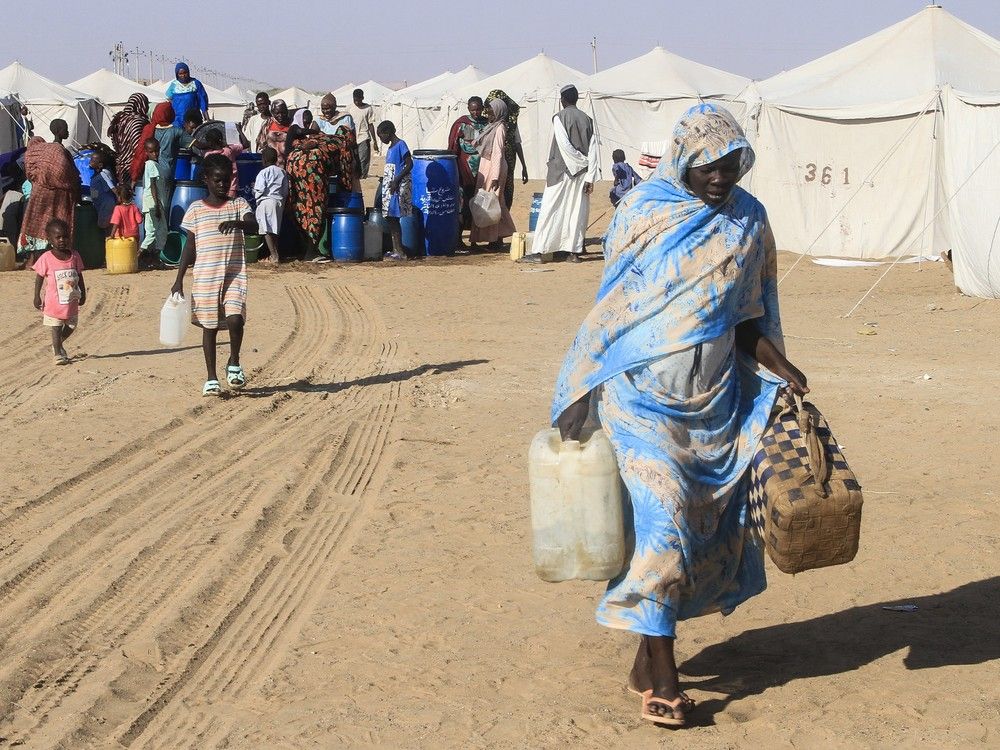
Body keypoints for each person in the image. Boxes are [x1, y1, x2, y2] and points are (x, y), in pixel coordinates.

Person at [551, 104, 809, 728]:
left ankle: (648, 652)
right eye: (708, 164)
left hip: (715, 407)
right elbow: (614, 307)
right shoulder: (644, 213)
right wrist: (583, 385)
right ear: (683, 158)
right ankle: (666, 679)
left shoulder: (748, 223)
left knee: (694, 535)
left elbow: (746, 317)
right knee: (665, 524)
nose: (720, 176)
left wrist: (784, 367)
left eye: (730, 164)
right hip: (640, 402)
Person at [171, 153, 258, 397]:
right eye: (218, 180)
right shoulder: (196, 210)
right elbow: (189, 247)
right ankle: (211, 377)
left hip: (234, 276)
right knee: (208, 328)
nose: (223, 185)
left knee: (235, 319)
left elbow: (254, 225)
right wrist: (178, 280)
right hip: (205, 279)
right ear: (206, 179)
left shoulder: (238, 205)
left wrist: (238, 223)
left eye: (227, 180)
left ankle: (234, 361)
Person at [524, 85, 597, 263]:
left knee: (550, 210)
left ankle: (539, 253)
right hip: (582, 173)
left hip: (562, 171)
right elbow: (594, 149)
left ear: (563, 100)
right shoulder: (587, 119)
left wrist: (577, 164)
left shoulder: (559, 118)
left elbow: (564, 146)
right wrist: (589, 175)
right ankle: (573, 253)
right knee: (576, 212)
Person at [285, 129, 357, 261]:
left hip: (292, 161)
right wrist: (347, 195)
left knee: (299, 205)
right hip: (312, 166)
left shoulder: (324, 138)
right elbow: (346, 177)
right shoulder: (344, 143)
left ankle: (305, 248)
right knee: (316, 207)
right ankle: (311, 252)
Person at [18, 122, 80, 261]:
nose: (68, 132)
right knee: (59, 222)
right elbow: (63, 172)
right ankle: (53, 258)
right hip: (59, 194)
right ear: (58, 131)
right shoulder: (57, 150)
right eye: (66, 129)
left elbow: (32, 170)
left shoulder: (47, 150)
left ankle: (33, 259)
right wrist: (74, 185)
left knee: (38, 222)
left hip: (40, 193)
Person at [32, 218, 86, 366]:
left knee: (71, 325)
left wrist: (83, 292)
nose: (62, 240)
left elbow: (79, 275)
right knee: (55, 327)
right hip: (53, 303)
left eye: (65, 236)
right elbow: (39, 277)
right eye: (58, 237)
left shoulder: (75, 256)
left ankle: (57, 343)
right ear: (50, 239)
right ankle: (57, 354)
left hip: (71, 301)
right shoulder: (46, 258)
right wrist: (36, 296)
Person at [468, 98, 516, 249]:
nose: (488, 113)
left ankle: (495, 239)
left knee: (493, 202)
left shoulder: (500, 128)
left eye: (491, 111)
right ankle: (491, 238)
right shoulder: (491, 126)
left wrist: (495, 176)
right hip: (486, 166)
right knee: (484, 201)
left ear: (499, 112)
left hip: (494, 168)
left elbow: (497, 153)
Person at [448, 96, 488, 234]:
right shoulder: (461, 124)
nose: (475, 113)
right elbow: (453, 146)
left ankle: (475, 237)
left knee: (478, 203)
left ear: (482, 108)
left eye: (478, 110)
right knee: (462, 202)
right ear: (468, 109)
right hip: (464, 169)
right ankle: (458, 237)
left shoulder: (487, 124)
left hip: (482, 168)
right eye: (473, 110)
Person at [484, 90, 529, 209]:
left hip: (507, 161)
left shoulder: (511, 123)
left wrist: (524, 166)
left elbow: (517, 143)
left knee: (505, 189)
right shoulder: (486, 121)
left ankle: (503, 216)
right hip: (489, 162)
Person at [377, 121, 412, 261]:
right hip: (391, 186)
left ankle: (400, 252)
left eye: (381, 136)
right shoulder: (391, 147)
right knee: (390, 217)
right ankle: (395, 249)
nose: (381, 140)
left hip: (397, 187)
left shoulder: (400, 145)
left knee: (393, 217)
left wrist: (396, 180)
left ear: (387, 133)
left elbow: (409, 164)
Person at [145, 102, 187, 208]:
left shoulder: (150, 130)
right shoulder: (176, 131)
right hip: (167, 172)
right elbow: (197, 144)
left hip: (152, 171)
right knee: (164, 204)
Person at [253, 146, 288, 264]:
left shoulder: (263, 172)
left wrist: (255, 195)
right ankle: (275, 253)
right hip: (278, 202)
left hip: (266, 201)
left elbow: (260, 189)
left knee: (266, 229)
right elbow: (285, 190)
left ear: (264, 160)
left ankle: (273, 256)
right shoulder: (282, 172)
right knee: (275, 228)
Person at [107, 92, 150, 187]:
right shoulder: (138, 121)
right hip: (134, 166)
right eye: (146, 104)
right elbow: (138, 146)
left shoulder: (119, 119)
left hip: (120, 165)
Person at [139, 137, 166, 265]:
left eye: (156, 151)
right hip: (153, 203)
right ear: (146, 152)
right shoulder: (150, 164)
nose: (155, 154)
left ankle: (155, 258)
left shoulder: (154, 165)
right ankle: (137, 256)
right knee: (152, 232)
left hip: (154, 203)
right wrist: (156, 205)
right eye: (152, 152)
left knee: (161, 231)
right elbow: (153, 185)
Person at [201, 129, 244, 198]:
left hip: (215, 188)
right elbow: (245, 144)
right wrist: (239, 130)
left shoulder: (207, 155)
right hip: (231, 187)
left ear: (209, 143)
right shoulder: (229, 150)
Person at [165, 62, 209, 128]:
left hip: (193, 119)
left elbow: (202, 100)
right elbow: (168, 96)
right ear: (177, 74)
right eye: (180, 74)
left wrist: (206, 117)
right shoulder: (174, 85)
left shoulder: (195, 83)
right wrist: (175, 105)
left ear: (188, 72)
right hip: (178, 119)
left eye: (185, 73)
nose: (183, 75)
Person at [346, 89, 378, 178]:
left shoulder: (368, 108)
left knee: (363, 159)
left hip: (364, 137)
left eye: (358, 100)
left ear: (362, 98)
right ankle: (354, 176)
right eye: (355, 100)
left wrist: (375, 141)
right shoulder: (349, 108)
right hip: (352, 137)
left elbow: (370, 124)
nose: (356, 102)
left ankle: (363, 176)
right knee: (353, 159)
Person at [88, 149, 117, 232]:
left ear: (100, 165)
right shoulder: (95, 177)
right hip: (100, 206)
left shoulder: (103, 175)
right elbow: (94, 193)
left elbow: (111, 187)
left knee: (108, 229)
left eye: (93, 160)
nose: (90, 162)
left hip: (106, 206)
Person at [257, 99, 292, 166]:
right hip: (270, 165)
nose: (280, 115)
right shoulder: (267, 124)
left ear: (287, 112)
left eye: (283, 112)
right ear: (272, 113)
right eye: (277, 113)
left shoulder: (292, 125)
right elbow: (261, 144)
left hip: (287, 165)